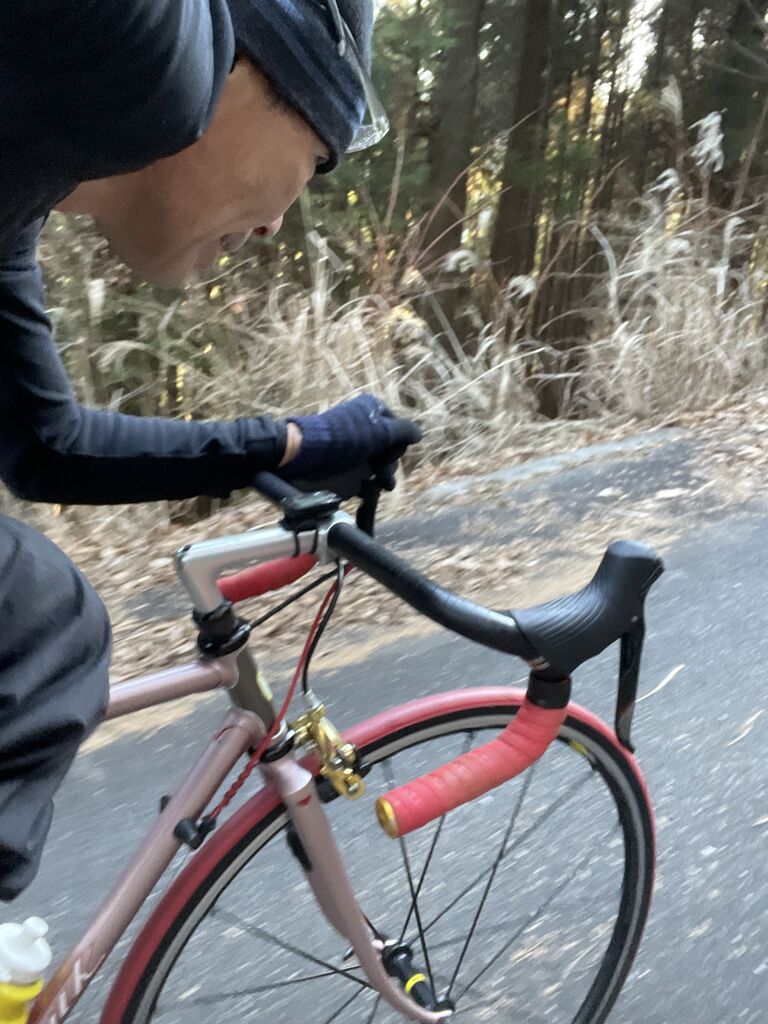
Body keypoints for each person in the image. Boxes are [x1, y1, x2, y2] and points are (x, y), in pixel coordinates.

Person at [0, 0, 421, 902]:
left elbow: (46, 445)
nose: (276, 227)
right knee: (40, 625)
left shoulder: (10, 210)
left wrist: (296, 442)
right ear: (248, 66)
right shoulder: (163, 56)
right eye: (319, 157)